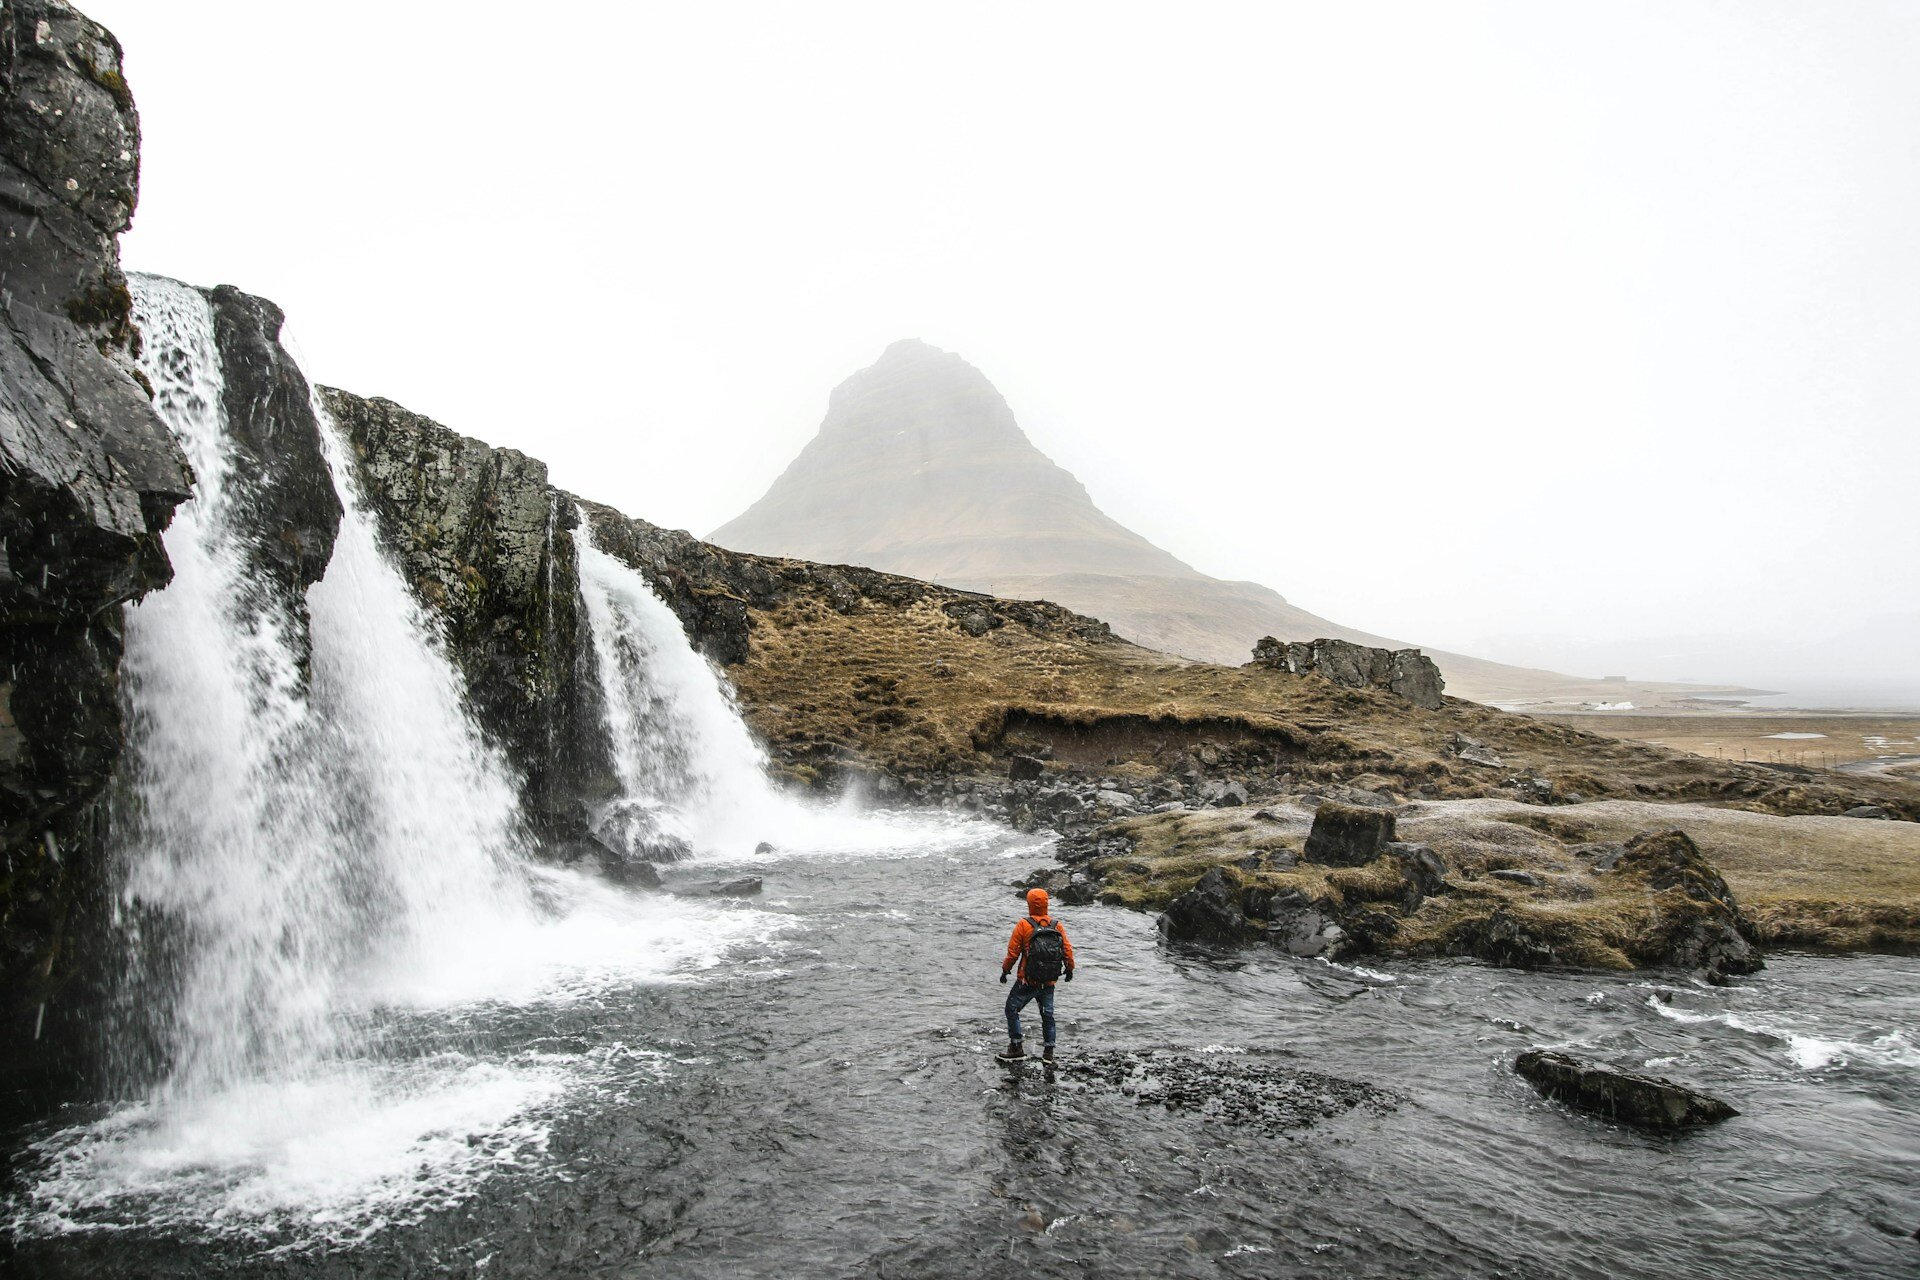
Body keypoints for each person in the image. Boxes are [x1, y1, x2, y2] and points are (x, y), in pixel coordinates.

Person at [998, 887, 1075, 1062]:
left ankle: (1016, 1046)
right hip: (1049, 981)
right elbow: (1067, 951)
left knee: (1012, 1009)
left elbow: (1013, 953)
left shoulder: (1024, 925)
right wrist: (1069, 969)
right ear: (1047, 903)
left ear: (1029, 904)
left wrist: (1005, 971)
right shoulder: (1057, 925)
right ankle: (1048, 1052)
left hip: (1028, 979)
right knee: (1047, 1015)